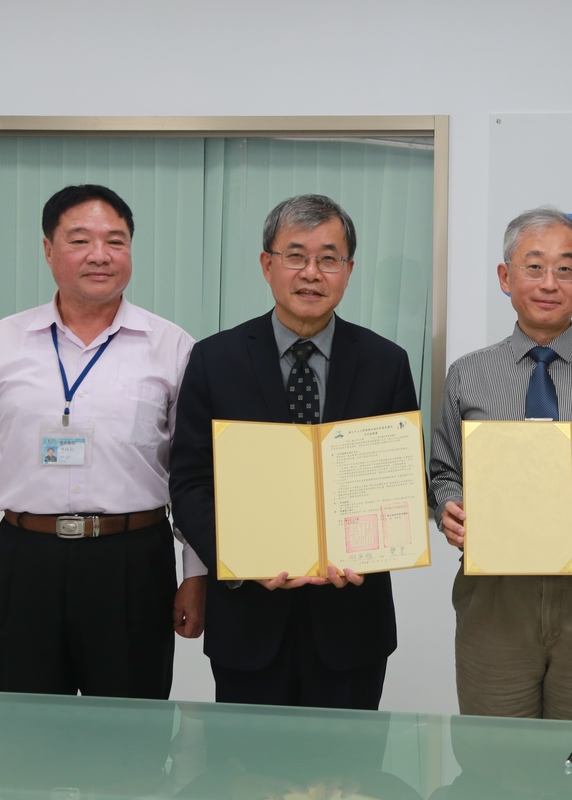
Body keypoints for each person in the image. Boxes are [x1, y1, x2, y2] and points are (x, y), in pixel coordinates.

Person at [0, 184, 206, 699]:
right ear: (48, 249)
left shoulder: (171, 346)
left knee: (131, 737)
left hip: (132, 562)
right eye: (80, 240)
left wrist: (196, 573)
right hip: (25, 560)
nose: (100, 256)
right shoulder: (3, 343)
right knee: (24, 735)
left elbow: (192, 473)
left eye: (117, 241)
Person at [170, 194, 419, 709]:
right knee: (247, 781)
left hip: (352, 621)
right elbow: (191, 482)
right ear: (267, 265)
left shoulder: (386, 363)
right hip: (248, 620)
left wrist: (373, 551)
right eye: (295, 255)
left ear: (348, 270)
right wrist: (240, 559)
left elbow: (403, 480)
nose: (312, 273)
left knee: (348, 782)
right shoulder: (215, 360)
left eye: (329, 258)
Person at [429, 206, 572, 723]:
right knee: (497, 757)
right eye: (534, 267)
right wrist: (449, 506)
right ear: (505, 277)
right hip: (495, 594)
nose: (549, 282)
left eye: (565, 268)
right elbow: (443, 470)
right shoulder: (467, 375)